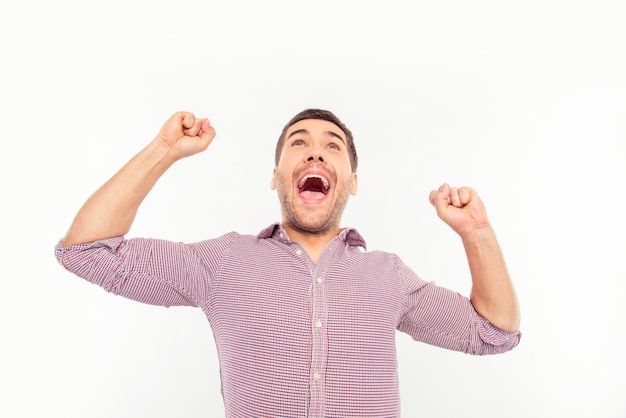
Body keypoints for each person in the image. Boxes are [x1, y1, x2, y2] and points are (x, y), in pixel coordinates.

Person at [55, 109, 521, 417]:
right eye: (299, 143)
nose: (315, 150)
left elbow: (495, 333)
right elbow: (86, 251)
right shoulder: (223, 263)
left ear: (351, 182)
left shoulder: (388, 277)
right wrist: (164, 150)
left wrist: (476, 233)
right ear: (276, 176)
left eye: (332, 145)